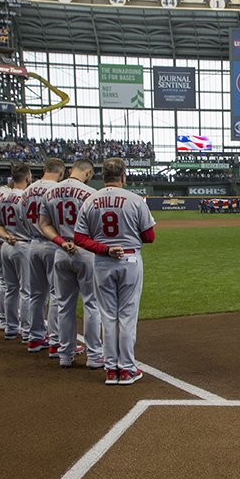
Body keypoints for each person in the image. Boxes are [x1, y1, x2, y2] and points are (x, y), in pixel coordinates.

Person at [74, 158, 155, 385]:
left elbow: (79, 237)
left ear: (102, 176)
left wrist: (105, 248)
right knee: (127, 316)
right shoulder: (135, 199)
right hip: (129, 259)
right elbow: (149, 237)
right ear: (123, 176)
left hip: (102, 261)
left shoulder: (90, 200)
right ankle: (127, 369)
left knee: (108, 317)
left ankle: (111, 369)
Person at [40, 158, 104, 369]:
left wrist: (60, 241)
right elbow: (98, 229)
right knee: (91, 303)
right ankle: (94, 355)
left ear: (70, 170)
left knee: (64, 305)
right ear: (88, 173)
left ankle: (65, 354)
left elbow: (44, 225)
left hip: (60, 251)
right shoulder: (90, 194)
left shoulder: (49, 193)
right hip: (85, 252)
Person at [20, 158, 66, 355]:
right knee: (57, 295)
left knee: (36, 294)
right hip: (52, 244)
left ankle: (35, 338)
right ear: (61, 172)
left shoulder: (27, 190)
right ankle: (56, 341)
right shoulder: (57, 190)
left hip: (31, 243)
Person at [0, 163, 32, 341]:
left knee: (10, 288)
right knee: (26, 291)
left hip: (7, 245)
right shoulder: (26, 198)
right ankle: (26, 329)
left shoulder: (3, 198)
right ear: (28, 177)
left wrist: (6, 236)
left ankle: (10, 327)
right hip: (23, 245)